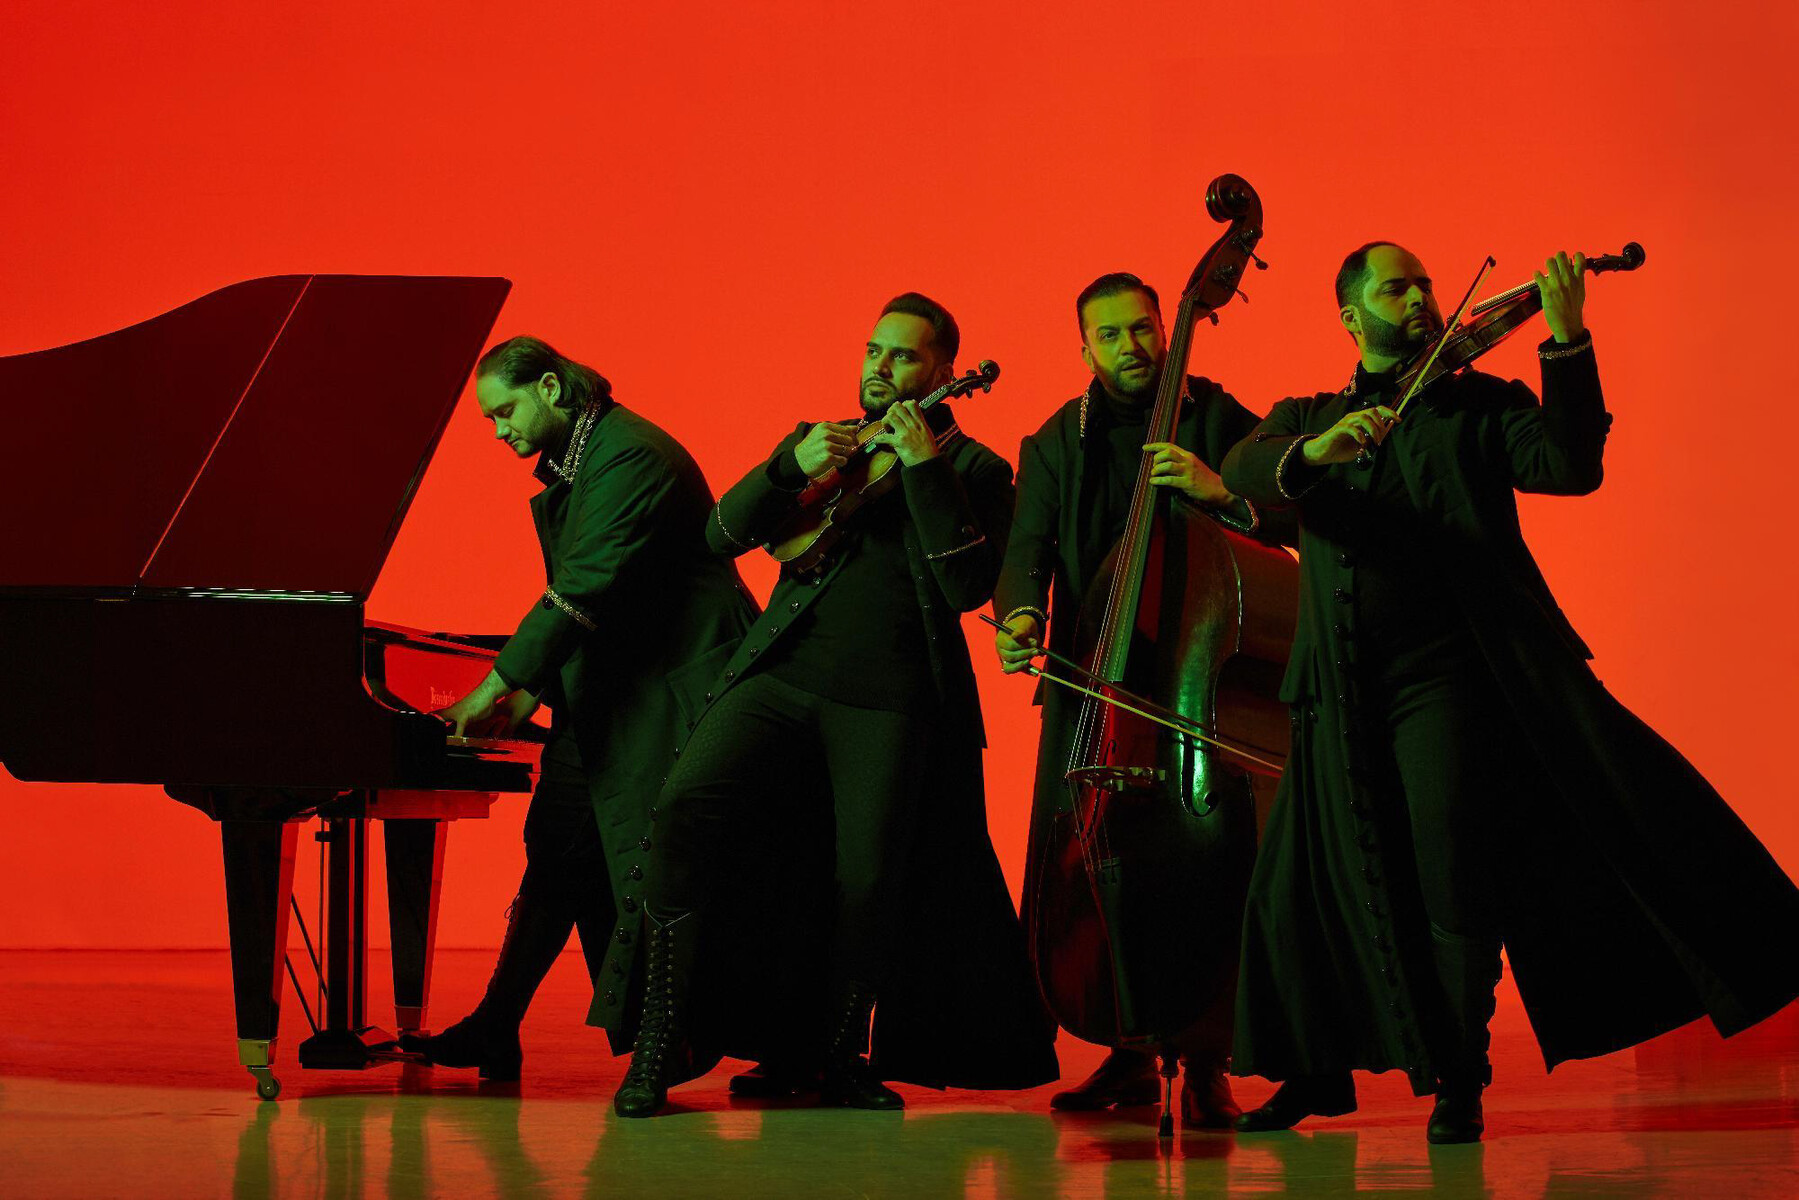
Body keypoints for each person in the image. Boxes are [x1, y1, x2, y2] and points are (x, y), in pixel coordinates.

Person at [1221, 243, 1799, 1143]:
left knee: (1452, 874)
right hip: (1332, 686)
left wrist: (1565, 342)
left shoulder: (1481, 404)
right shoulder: (1307, 417)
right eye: (1395, 287)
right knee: (1301, 888)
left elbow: (1569, 465)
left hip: (1447, 684)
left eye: (1424, 284)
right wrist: (1318, 451)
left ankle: (1459, 1078)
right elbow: (1244, 469)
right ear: (1350, 317)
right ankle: (1314, 1073)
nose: (1420, 297)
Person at [606, 293, 1057, 1117]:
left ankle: (839, 1057)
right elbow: (720, 536)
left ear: (945, 371)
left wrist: (924, 470)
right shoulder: (823, 442)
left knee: (866, 879)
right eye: (874, 351)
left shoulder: (978, 470)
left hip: (891, 700)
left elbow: (966, 586)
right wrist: (789, 467)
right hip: (780, 674)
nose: (881, 368)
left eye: (903, 356)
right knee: (683, 811)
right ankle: (659, 1042)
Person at [402, 336, 757, 1079]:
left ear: (550, 388)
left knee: (652, 866)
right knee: (557, 851)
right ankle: (498, 1025)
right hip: (612, 688)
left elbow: (581, 589)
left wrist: (494, 689)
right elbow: (590, 602)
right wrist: (528, 695)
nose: (498, 430)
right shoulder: (585, 455)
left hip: (672, 692)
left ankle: (681, 1037)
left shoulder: (629, 456)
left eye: (504, 411)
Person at [991, 272, 1292, 1127]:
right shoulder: (1057, 440)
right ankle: (1125, 1048)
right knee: (1097, 863)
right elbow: (1027, 548)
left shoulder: (1223, 422)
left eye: (1142, 328)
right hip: (1094, 685)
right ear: (1082, 347)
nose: (1130, 346)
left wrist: (1219, 489)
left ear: (1167, 328)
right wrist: (1020, 614)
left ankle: (1206, 1058)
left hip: (1198, 693)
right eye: (1110, 334)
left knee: (1208, 874)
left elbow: (1291, 517)